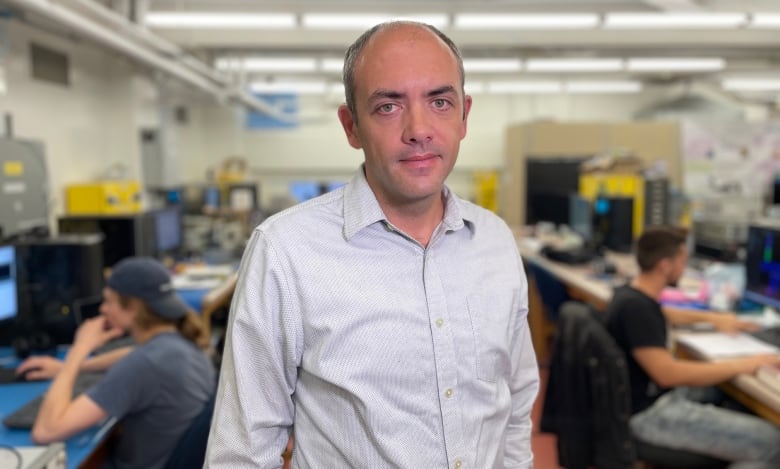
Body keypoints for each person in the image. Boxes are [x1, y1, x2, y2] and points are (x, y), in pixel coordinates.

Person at [205, 21, 539, 468]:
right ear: (351, 127)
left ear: (464, 117)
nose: (419, 129)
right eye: (387, 106)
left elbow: (514, 410)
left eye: (440, 102)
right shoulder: (286, 251)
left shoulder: (495, 242)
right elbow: (242, 452)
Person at [605, 225, 780, 466]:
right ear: (665, 265)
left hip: (644, 401)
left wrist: (713, 318)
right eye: (682, 260)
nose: (684, 267)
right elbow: (668, 374)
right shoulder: (637, 310)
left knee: (722, 392)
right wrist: (746, 363)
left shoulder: (631, 295)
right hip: (649, 415)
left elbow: (665, 314)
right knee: (771, 442)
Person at [31, 257, 216, 469]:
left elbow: (45, 432)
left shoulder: (143, 365)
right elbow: (131, 353)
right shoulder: (183, 344)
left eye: (109, 301)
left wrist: (78, 350)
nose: (103, 309)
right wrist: (70, 368)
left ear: (133, 308)